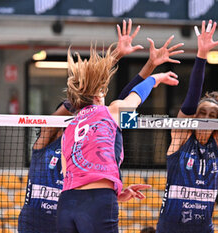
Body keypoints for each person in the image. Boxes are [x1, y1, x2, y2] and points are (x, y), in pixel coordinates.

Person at [56, 22, 181, 233]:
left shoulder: (69, 128)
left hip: (66, 203)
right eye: (104, 92)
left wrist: (114, 191)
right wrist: (155, 78)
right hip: (97, 202)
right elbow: (135, 96)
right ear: (98, 96)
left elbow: (71, 174)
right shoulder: (110, 112)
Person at [156, 20, 218, 233]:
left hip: (203, 229)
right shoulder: (181, 138)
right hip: (170, 228)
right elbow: (191, 100)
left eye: (212, 115)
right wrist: (201, 55)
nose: (206, 118)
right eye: (202, 113)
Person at [18, 102, 72, 233]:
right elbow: (48, 128)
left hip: (60, 219)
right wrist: (77, 100)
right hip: (34, 218)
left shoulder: (76, 147)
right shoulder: (43, 144)